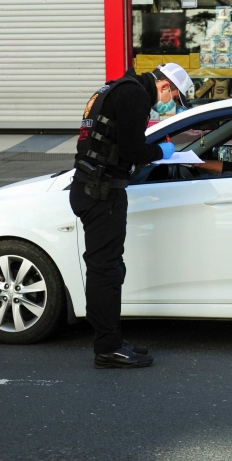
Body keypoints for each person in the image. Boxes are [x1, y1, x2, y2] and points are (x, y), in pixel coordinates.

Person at [70, 63, 193, 369]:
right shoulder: (135, 95)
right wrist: (162, 152)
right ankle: (108, 347)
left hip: (93, 186)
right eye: (173, 96)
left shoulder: (115, 88)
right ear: (164, 86)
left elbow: (110, 140)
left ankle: (112, 341)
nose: (168, 103)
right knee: (106, 271)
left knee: (108, 269)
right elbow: (131, 149)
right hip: (102, 192)